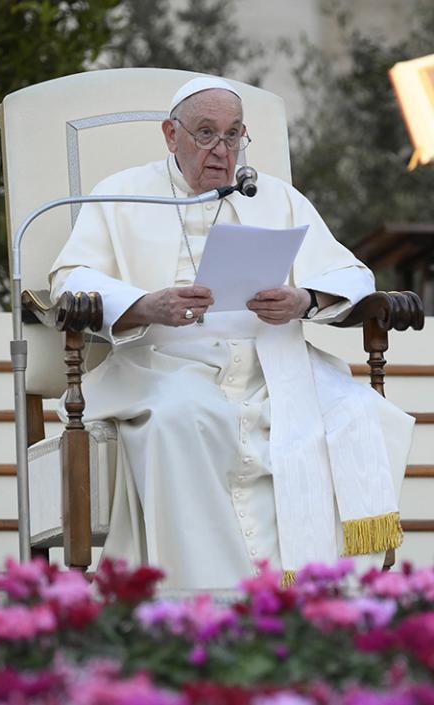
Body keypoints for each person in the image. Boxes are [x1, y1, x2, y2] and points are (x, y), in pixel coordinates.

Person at [50, 76, 414, 589]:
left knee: (352, 414)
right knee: (180, 418)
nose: (222, 150)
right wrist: (146, 304)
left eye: (233, 135)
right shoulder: (121, 194)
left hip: (273, 369)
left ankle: (317, 602)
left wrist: (303, 300)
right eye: (205, 134)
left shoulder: (275, 196)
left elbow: (352, 275)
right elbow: (72, 280)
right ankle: (201, 601)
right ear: (170, 135)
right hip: (165, 364)